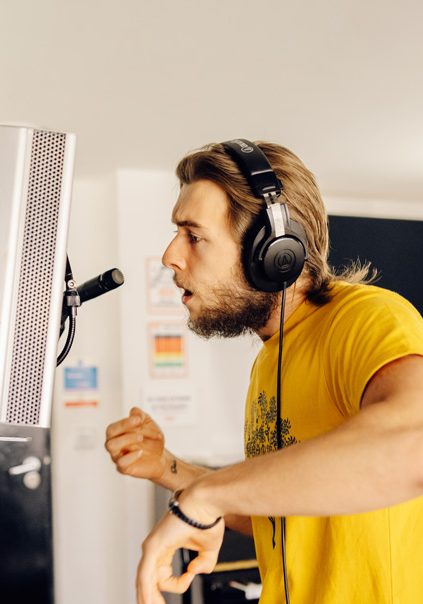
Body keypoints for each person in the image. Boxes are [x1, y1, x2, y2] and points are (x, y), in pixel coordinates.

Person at [104, 140, 423, 604]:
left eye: (193, 235)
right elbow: (281, 514)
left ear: (273, 251)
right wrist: (170, 469)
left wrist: (205, 499)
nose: (171, 256)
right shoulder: (269, 361)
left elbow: (412, 446)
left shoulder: (369, 318)